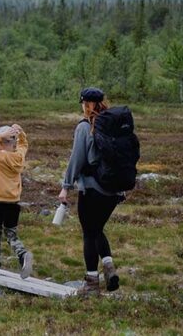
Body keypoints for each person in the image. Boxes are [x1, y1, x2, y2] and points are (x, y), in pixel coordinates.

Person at [58, 87, 123, 295]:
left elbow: (76, 159)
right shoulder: (114, 124)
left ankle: (91, 283)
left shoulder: (85, 127)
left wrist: (65, 187)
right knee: (97, 229)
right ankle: (109, 267)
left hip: (92, 190)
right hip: (113, 191)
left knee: (89, 233)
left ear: (86, 104)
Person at [0, 124, 34, 279]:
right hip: (14, 201)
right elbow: (24, 144)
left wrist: (1, 135)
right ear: (13, 143)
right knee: (11, 234)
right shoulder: (19, 156)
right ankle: (22, 254)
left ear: (1, 142)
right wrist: (20, 133)